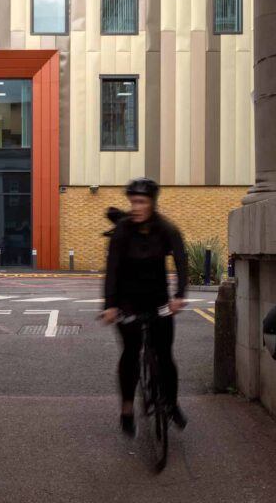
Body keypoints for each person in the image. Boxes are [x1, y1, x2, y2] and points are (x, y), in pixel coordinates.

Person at [101, 177, 188, 437]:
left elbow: (182, 262)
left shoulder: (166, 229)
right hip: (128, 301)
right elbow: (113, 269)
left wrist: (179, 295)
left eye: (141, 202)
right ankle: (127, 409)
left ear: (152, 203)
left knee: (165, 355)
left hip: (159, 300)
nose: (136, 207)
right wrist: (110, 305)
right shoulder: (122, 230)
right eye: (133, 202)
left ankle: (171, 404)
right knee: (130, 353)